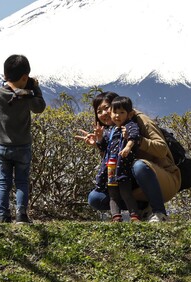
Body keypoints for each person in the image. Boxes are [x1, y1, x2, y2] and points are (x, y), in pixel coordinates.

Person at [76, 91, 181, 222]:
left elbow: (162, 150)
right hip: (131, 183)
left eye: (107, 108)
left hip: (162, 179)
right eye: (99, 111)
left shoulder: (139, 120)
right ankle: (142, 209)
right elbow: (114, 163)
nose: (104, 114)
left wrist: (137, 140)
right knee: (95, 198)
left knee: (139, 166)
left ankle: (159, 212)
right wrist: (98, 144)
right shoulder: (111, 131)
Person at [0, 54, 46, 223]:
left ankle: (3, 215)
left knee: (3, 182)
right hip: (22, 147)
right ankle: (21, 214)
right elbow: (40, 107)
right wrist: (35, 89)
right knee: (21, 181)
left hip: (2, 146)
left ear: (5, 75)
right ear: (24, 77)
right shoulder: (27, 96)